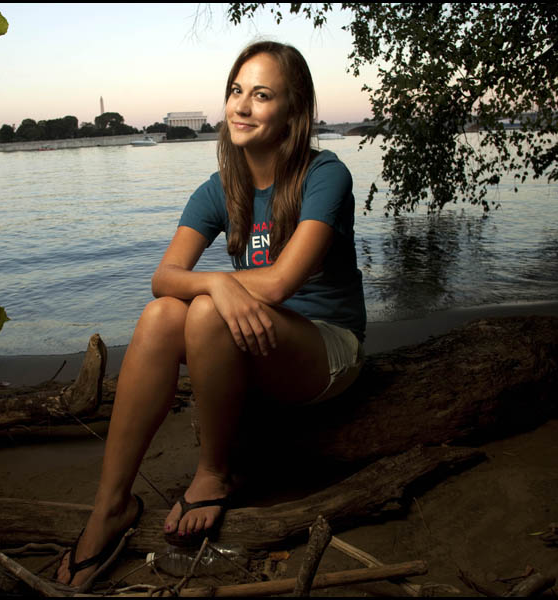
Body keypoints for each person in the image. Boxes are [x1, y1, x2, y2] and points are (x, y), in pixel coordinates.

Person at [56, 40, 367, 588]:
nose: (242, 106)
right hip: (250, 344)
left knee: (202, 313)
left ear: (294, 112)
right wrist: (217, 286)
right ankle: (110, 507)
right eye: (236, 91)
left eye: (262, 95)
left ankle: (214, 472)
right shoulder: (221, 189)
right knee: (160, 318)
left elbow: (278, 283)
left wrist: (217, 290)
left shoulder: (326, 175)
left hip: (325, 347)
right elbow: (163, 278)